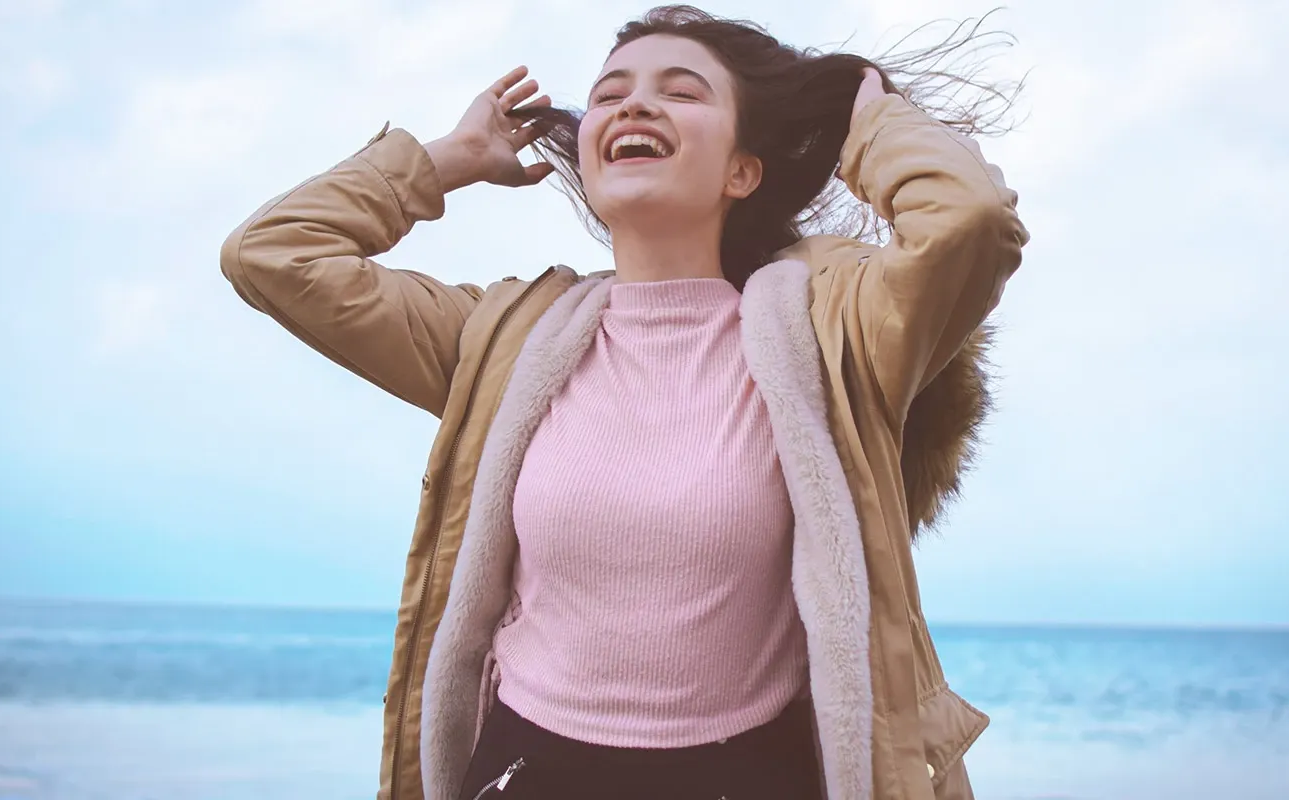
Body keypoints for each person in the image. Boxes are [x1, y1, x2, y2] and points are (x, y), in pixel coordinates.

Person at [220, 6, 1027, 799]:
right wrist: (448, 159)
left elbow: (969, 221)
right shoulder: (504, 341)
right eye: (610, 94)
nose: (634, 104)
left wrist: (872, 122)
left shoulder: (831, 338)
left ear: (742, 170)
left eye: (681, 91)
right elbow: (273, 254)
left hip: (747, 772)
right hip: (524, 768)